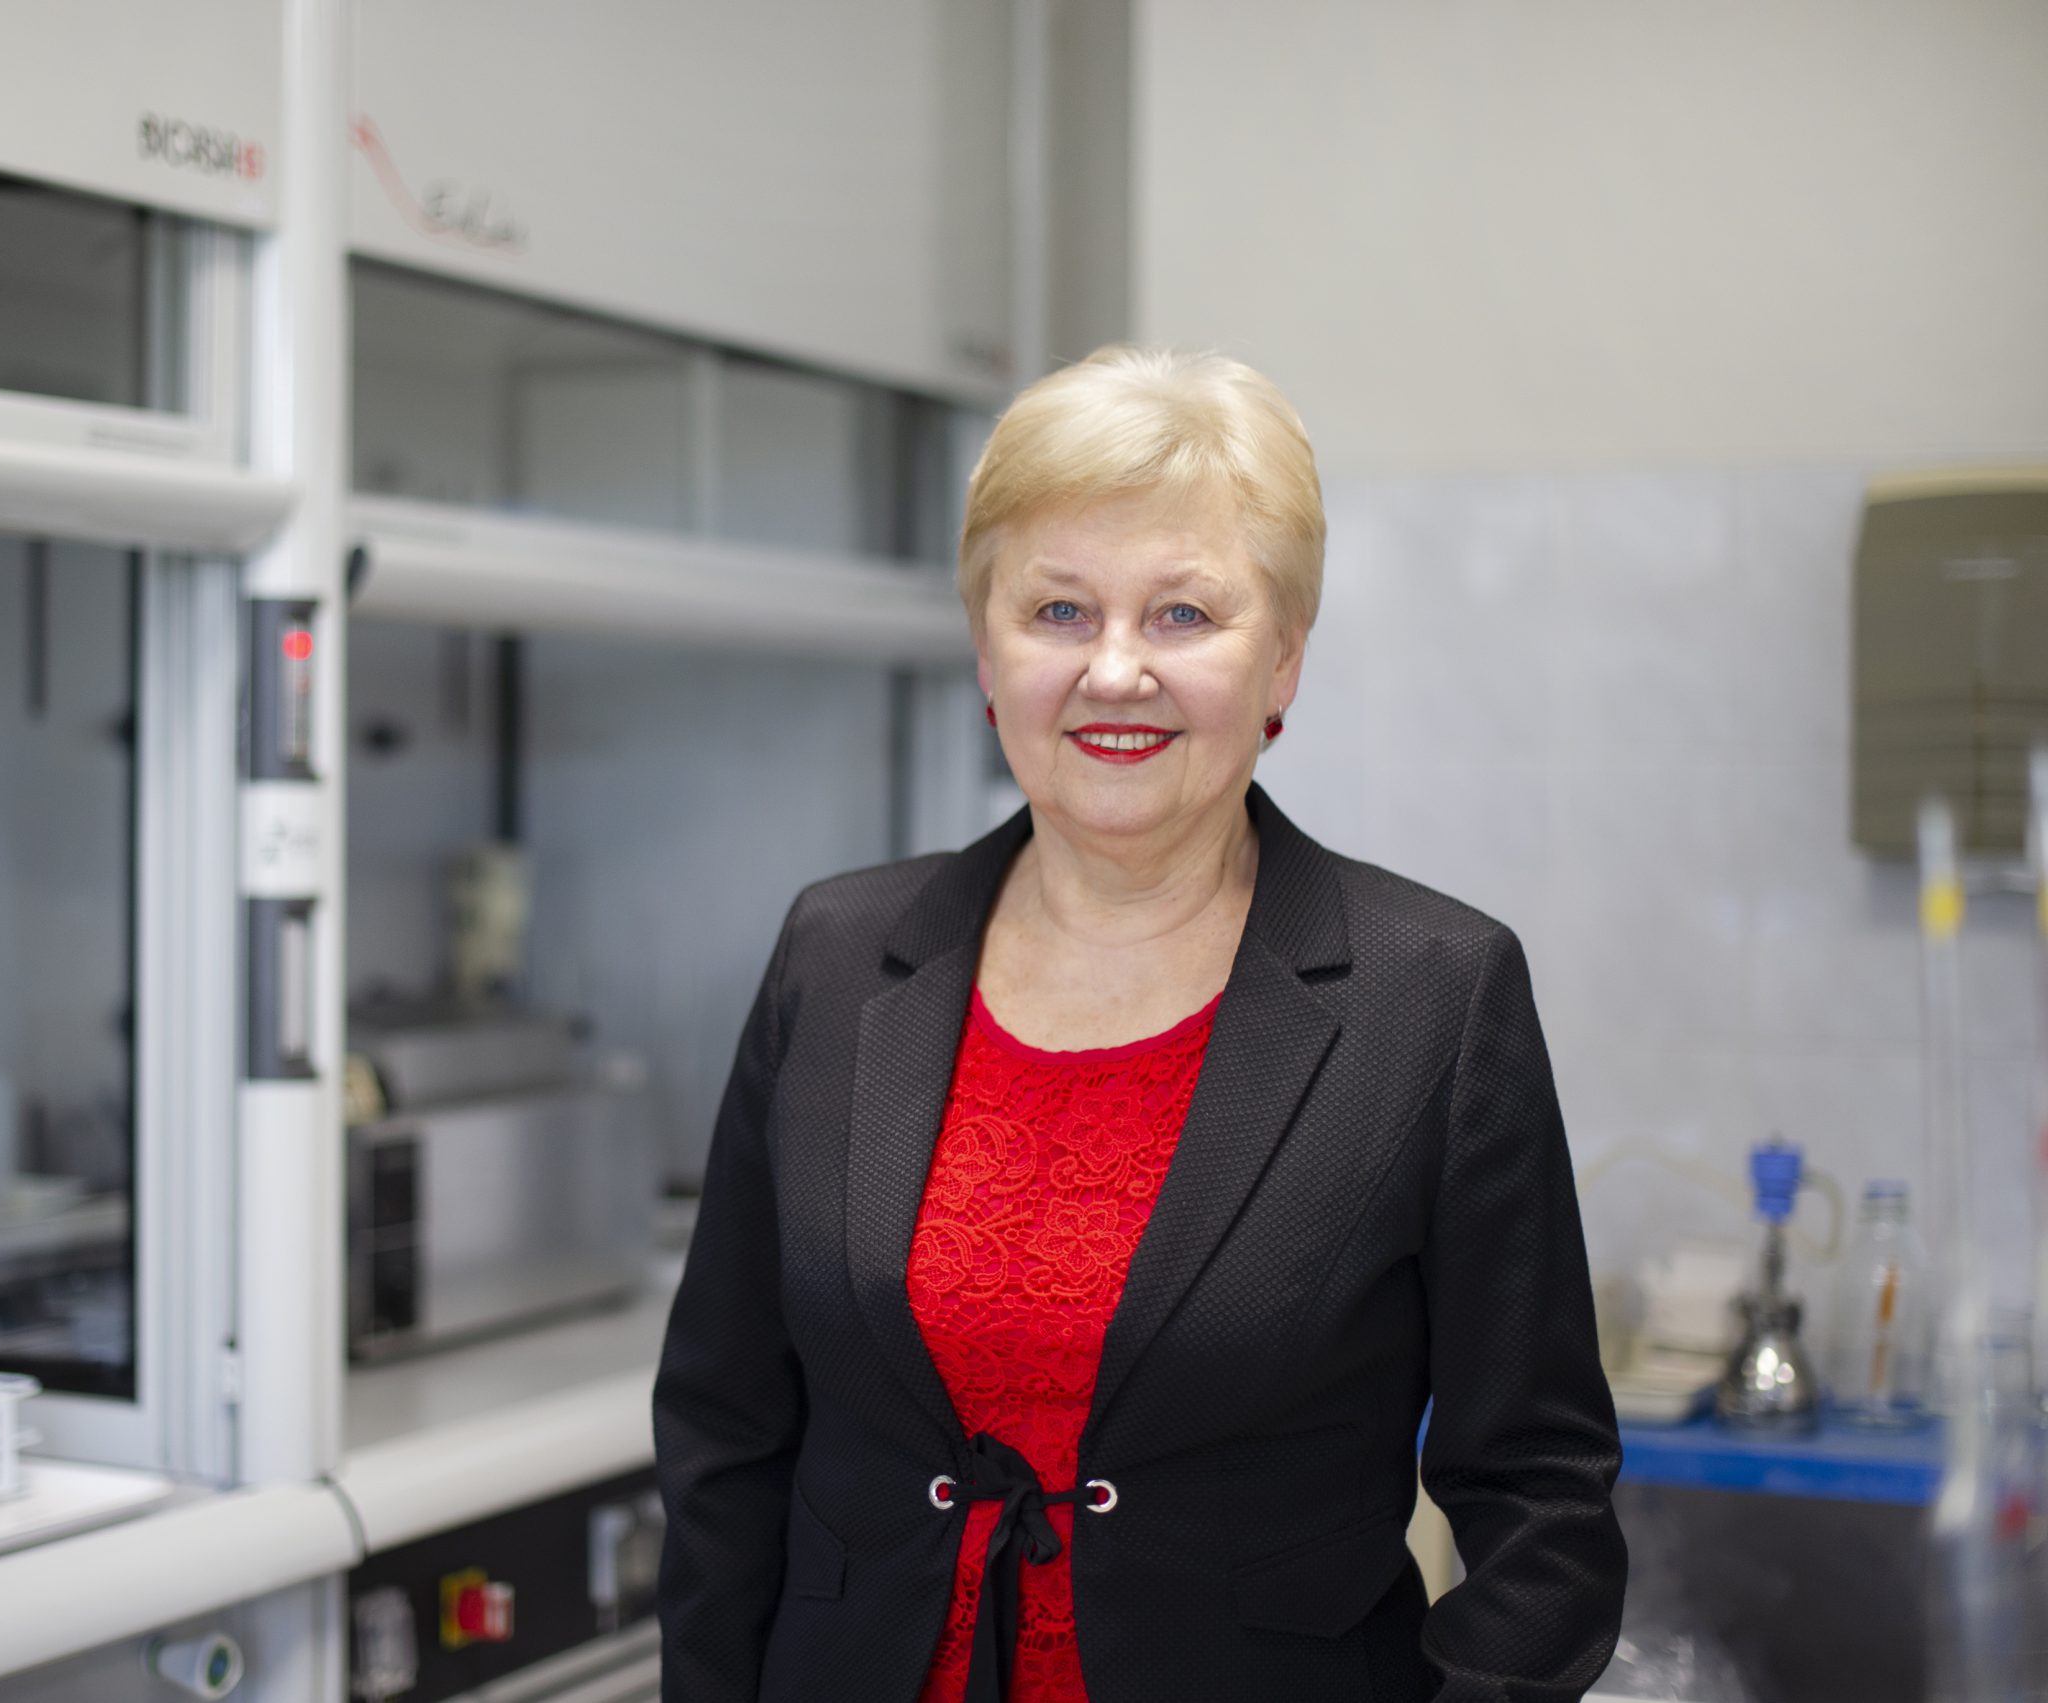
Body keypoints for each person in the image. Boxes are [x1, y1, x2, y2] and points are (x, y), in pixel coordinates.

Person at [653, 346, 1625, 1703]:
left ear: (1282, 660)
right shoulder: (836, 958)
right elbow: (725, 1432)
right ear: (987, 650)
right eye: (1058, 609)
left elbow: (1541, 1496)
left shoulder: (1435, 996)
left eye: (1182, 614)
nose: (1115, 670)